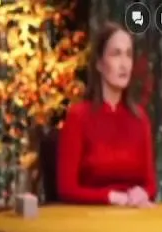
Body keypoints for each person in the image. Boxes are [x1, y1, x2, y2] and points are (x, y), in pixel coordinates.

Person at [56, 22, 156, 207]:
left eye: (128, 54)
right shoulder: (79, 116)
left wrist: (143, 193)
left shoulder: (140, 118)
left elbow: (151, 185)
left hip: (133, 214)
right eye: (116, 54)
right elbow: (66, 189)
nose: (124, 64)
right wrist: (111, 197)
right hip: (91, 217)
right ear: (100, 64)